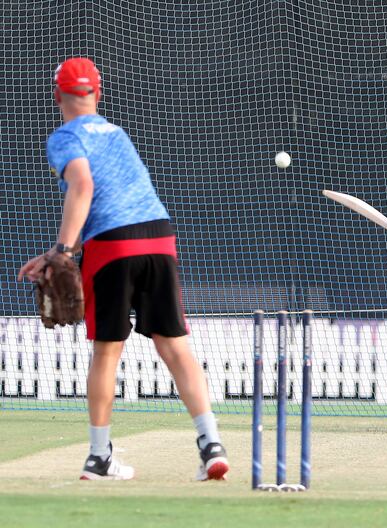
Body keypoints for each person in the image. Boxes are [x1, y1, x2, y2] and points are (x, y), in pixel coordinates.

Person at [17, 58, 229, 482]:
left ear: (57, 95)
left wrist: (61, 252)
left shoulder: (64, 136)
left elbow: (83, 185)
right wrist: (62, 250)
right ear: (97, 93)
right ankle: (211, 445)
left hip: (112, 245)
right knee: (174, 344)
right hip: (158, 235)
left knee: (107, 351)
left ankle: (99, 457)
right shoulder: (117, 133)